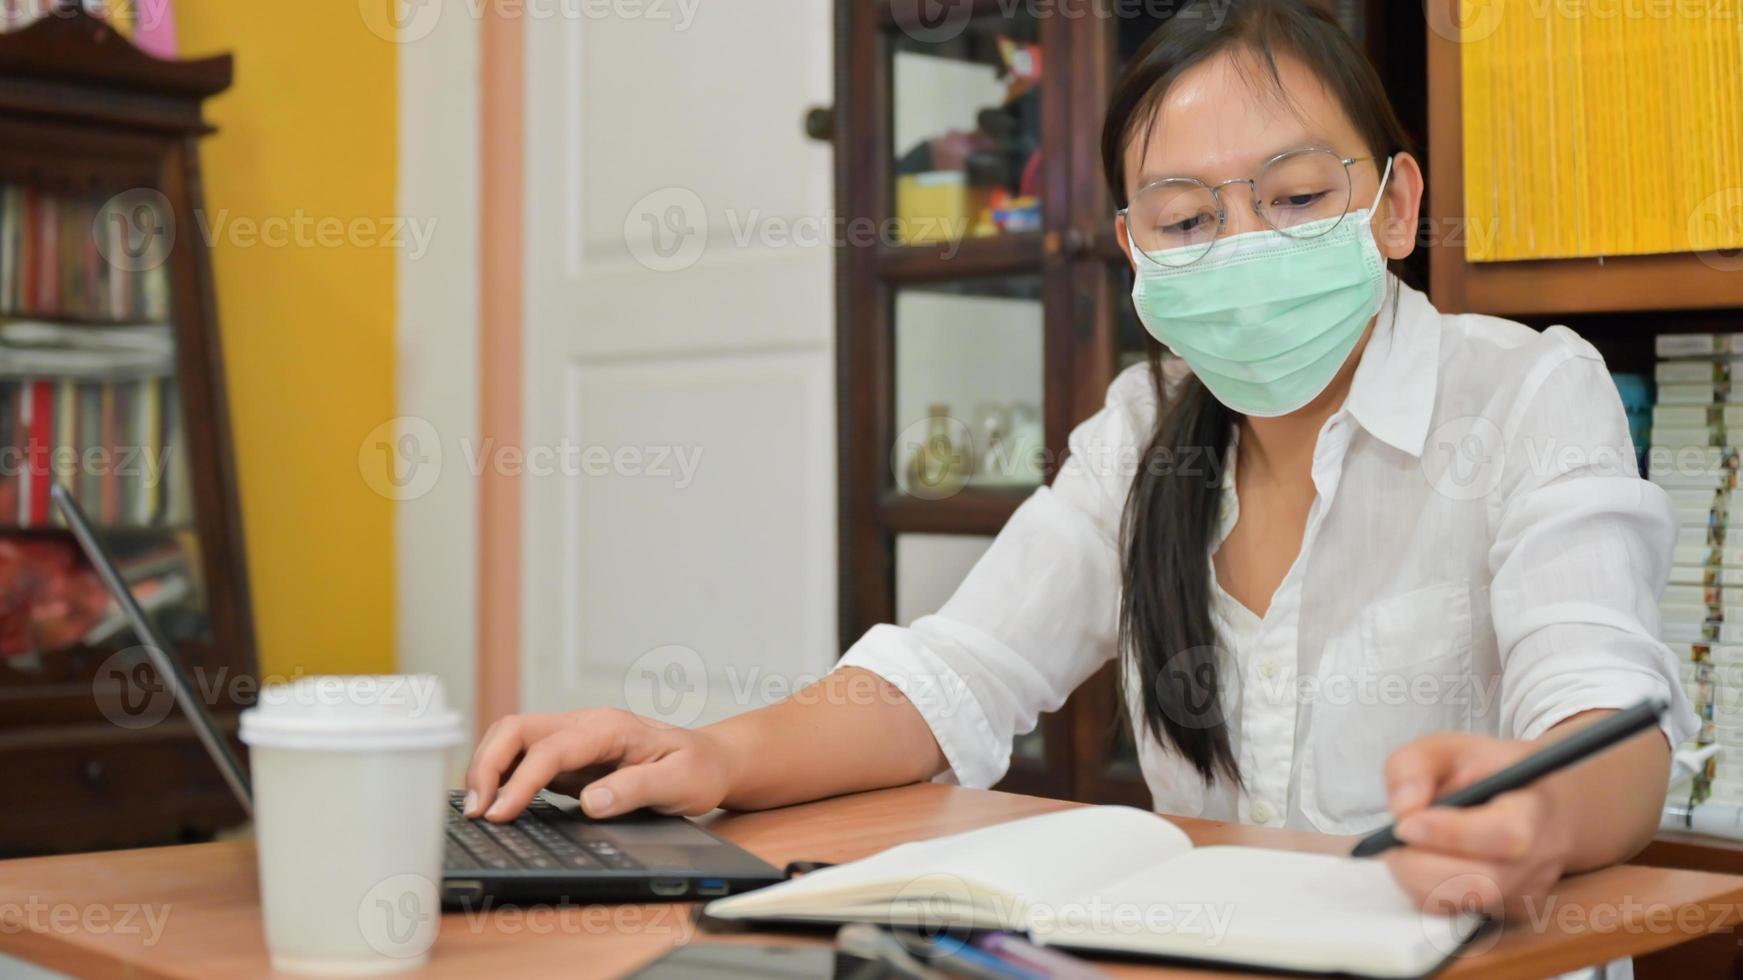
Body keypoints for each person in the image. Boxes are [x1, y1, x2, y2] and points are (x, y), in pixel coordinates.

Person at [464, 0, 1694, 925]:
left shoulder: (1531, 388)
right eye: (1189, 219)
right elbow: (955, 670)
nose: (1246, 245)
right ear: (1134, 249)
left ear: (1394, 203)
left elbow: (1612, 725)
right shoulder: (1144, 426)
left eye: (1299, 194)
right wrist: (716, 750)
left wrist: (1533, 807)